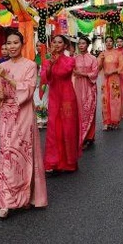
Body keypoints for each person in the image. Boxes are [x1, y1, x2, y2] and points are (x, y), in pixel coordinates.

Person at [0, 31, 47, 218]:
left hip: (23, 113)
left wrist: (7, 79)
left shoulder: (30, 65)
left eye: (16, 42)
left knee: (22, 154)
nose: (12, 46)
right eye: (9, 43)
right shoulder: (2, 66)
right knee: (6, 154)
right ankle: (5, 201)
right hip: (7, 114)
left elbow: (29, 89)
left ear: (22, 44)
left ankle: (25, 196)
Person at [41, 35, 80, 173]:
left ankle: (69, 162)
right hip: (54, 98)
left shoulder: (70, 60)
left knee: (68, 129)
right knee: (53, 129)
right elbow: (46, 78)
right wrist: (50, 64)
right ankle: (53, 162)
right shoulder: (47, 61)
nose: (56, 44)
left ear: (65, 45)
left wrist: (55, 62)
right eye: (54, 42)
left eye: (60, 42)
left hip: (67, 98)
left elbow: (64, 73)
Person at [73, 36, 99, 149]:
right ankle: (81, 136)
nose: (81, 45)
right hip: (78, 87)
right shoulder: (74, 58)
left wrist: (82, 74)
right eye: (79, 43)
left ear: (87, 45)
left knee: (90, 111)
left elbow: (95, 73)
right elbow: (71, 72)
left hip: (90, 87)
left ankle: (89, 137)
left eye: (83, 43)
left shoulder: (93, 58)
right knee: (80, 112)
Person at [98, 36, 123, 131]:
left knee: (115, 100)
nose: (108, 43)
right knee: (105, 100)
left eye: (110, 41)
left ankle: (115, 121)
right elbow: (98, 68)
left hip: (115, 81)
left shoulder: (118, 54)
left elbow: (122, 67)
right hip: (105, 81)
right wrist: (101, 60)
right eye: (106, 41)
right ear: (104, 43)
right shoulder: (102, 54)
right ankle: (107, 122)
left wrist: (112, 72)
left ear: (113, 42)